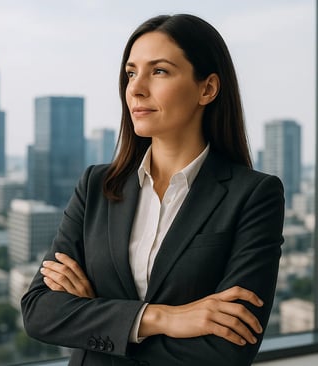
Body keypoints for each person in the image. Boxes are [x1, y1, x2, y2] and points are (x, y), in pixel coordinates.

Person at [21, 14, 284, 366]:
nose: (136, 88)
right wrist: (164, 318)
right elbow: (39, 311)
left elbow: (228, 351)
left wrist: (96, 313)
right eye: (131, 73)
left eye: (158, 71)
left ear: (207, 88)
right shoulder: (96, 186)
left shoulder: (254, 196)